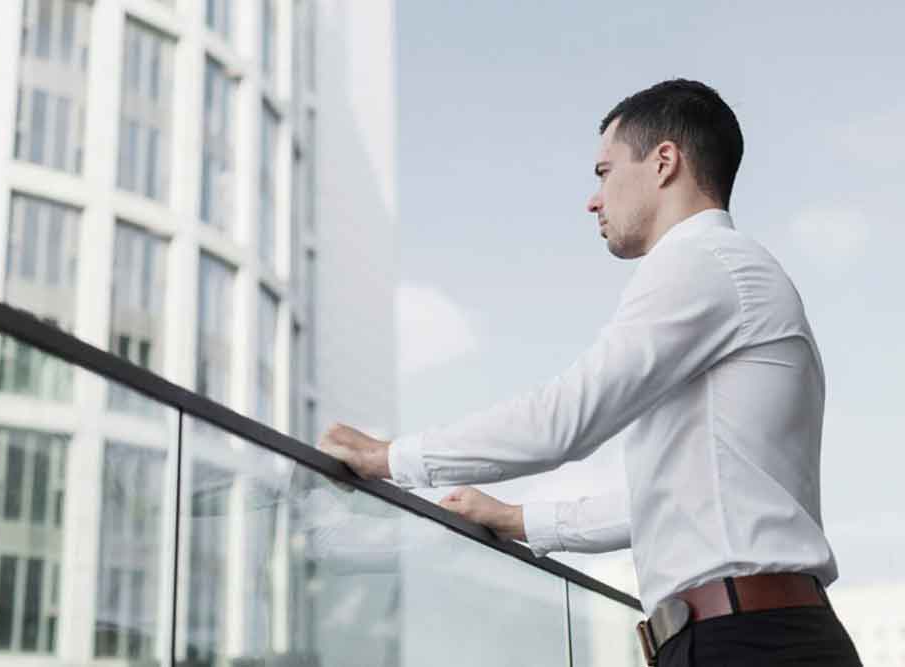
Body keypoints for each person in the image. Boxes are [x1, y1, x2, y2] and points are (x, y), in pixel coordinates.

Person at [318, 79, 861, 666]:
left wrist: (392, 459)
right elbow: (670, 502)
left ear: (663, 163)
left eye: (603, 172)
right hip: (750, 634)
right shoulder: (731, 276)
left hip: (747, 641)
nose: (593, 199)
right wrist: (518, 520)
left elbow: (564, 420)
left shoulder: (701, 263)